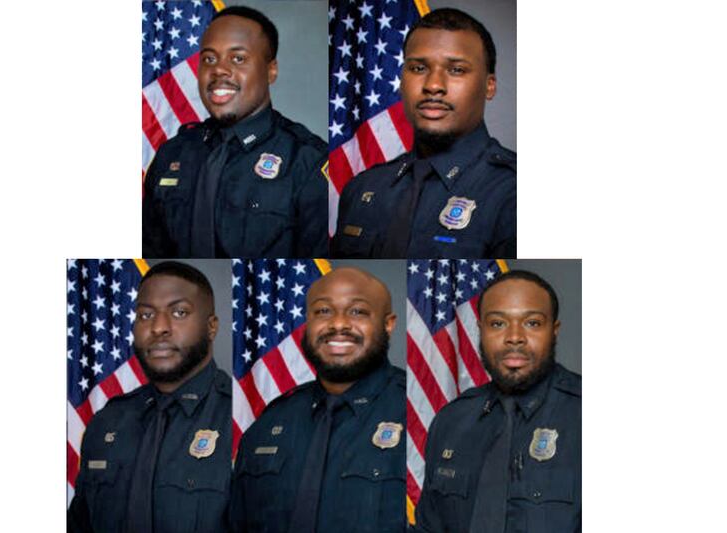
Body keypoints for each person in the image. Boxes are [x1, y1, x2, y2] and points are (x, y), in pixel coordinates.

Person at [230, 267, 406, 533]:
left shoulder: (417, 413)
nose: (338, 324)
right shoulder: (270, 422)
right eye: (323, 311)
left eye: (357, 311)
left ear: (388, 324)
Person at [143, 6, 327, 258]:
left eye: (238, 58)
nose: (219, 69)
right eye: (209, 59)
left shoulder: (306, 160)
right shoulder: (171, 154)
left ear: (271, 70)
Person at [331, 8, 515, 258]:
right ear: (401, 79)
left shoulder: (515, 192)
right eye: (418, 68)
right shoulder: (361, 188)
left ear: (489, 86)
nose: (433, 85)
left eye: (456, 70)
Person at [68, 262, 232, 533]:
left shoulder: (240, 419)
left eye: (179, 312)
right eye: (145, 315)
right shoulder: (107, 422)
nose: (158, 327)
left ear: (212, 327)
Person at [414, 270, 581, 533]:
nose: (514, 337)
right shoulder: (450, 421)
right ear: (480, 330)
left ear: (554, 330)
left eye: (533, 323)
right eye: (498, 323)